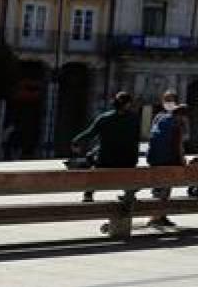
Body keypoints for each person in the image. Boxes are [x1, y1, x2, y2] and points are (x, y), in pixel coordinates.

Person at [72, 92, 141, 234]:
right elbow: (135, 141)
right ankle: (129, 196)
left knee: (95, 169)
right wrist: (134, 160)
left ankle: (88, 194)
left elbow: (90, 133)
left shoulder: (104, 118)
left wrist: (76, 140)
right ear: (127, 104)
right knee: (130, 179)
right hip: (126, 162)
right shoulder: (133, 119)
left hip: (106, 160)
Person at [146, 102, 189, 228]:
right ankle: (157, 217)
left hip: (153, 158)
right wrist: (182, 162)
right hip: (168, 160)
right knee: (165, 190)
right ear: (181, 115)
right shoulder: (177, 124)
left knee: (157, 189)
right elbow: (178, 145)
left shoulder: (160, 118)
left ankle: (157, 216)